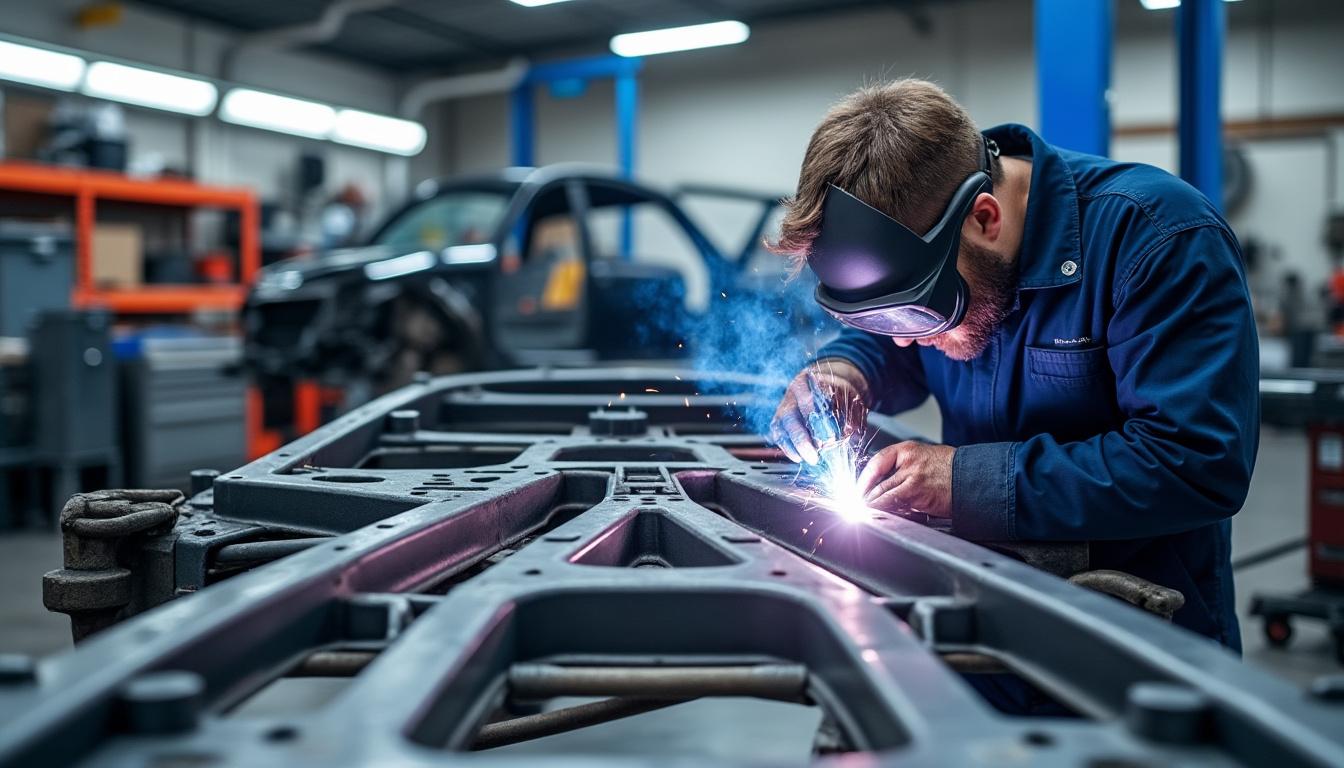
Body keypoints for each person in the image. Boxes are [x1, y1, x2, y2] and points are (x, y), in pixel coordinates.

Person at [767, 79, 1258, 652]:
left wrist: (964, 481)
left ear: (984, 218)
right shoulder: (953, 265)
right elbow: (894, 342)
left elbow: (1195, 462)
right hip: (975, 616)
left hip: (1135, 637)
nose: (906, 342)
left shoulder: (1156, 238)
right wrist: (844, 370)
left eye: (920, 314)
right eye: (883, 320)